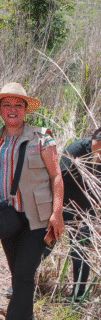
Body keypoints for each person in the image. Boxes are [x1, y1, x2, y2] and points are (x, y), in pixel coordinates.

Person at [0, 83, 64, 320]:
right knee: (18, 276)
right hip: (8, 219)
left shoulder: (43, 138)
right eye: (7, 105)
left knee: (25, 276)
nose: (12, 110)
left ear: (26, 109)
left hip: (37, 219)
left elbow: (56, 176)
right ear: (0, 109)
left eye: (18, 105)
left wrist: (57, 213)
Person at [60, 127, 101, 300]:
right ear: (94, 141)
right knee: (44, 246)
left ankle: (77, 296)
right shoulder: (77, 149)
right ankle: (22, 286)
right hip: (64, 208)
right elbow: (59, 175)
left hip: (87, 213)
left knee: (81, 250)